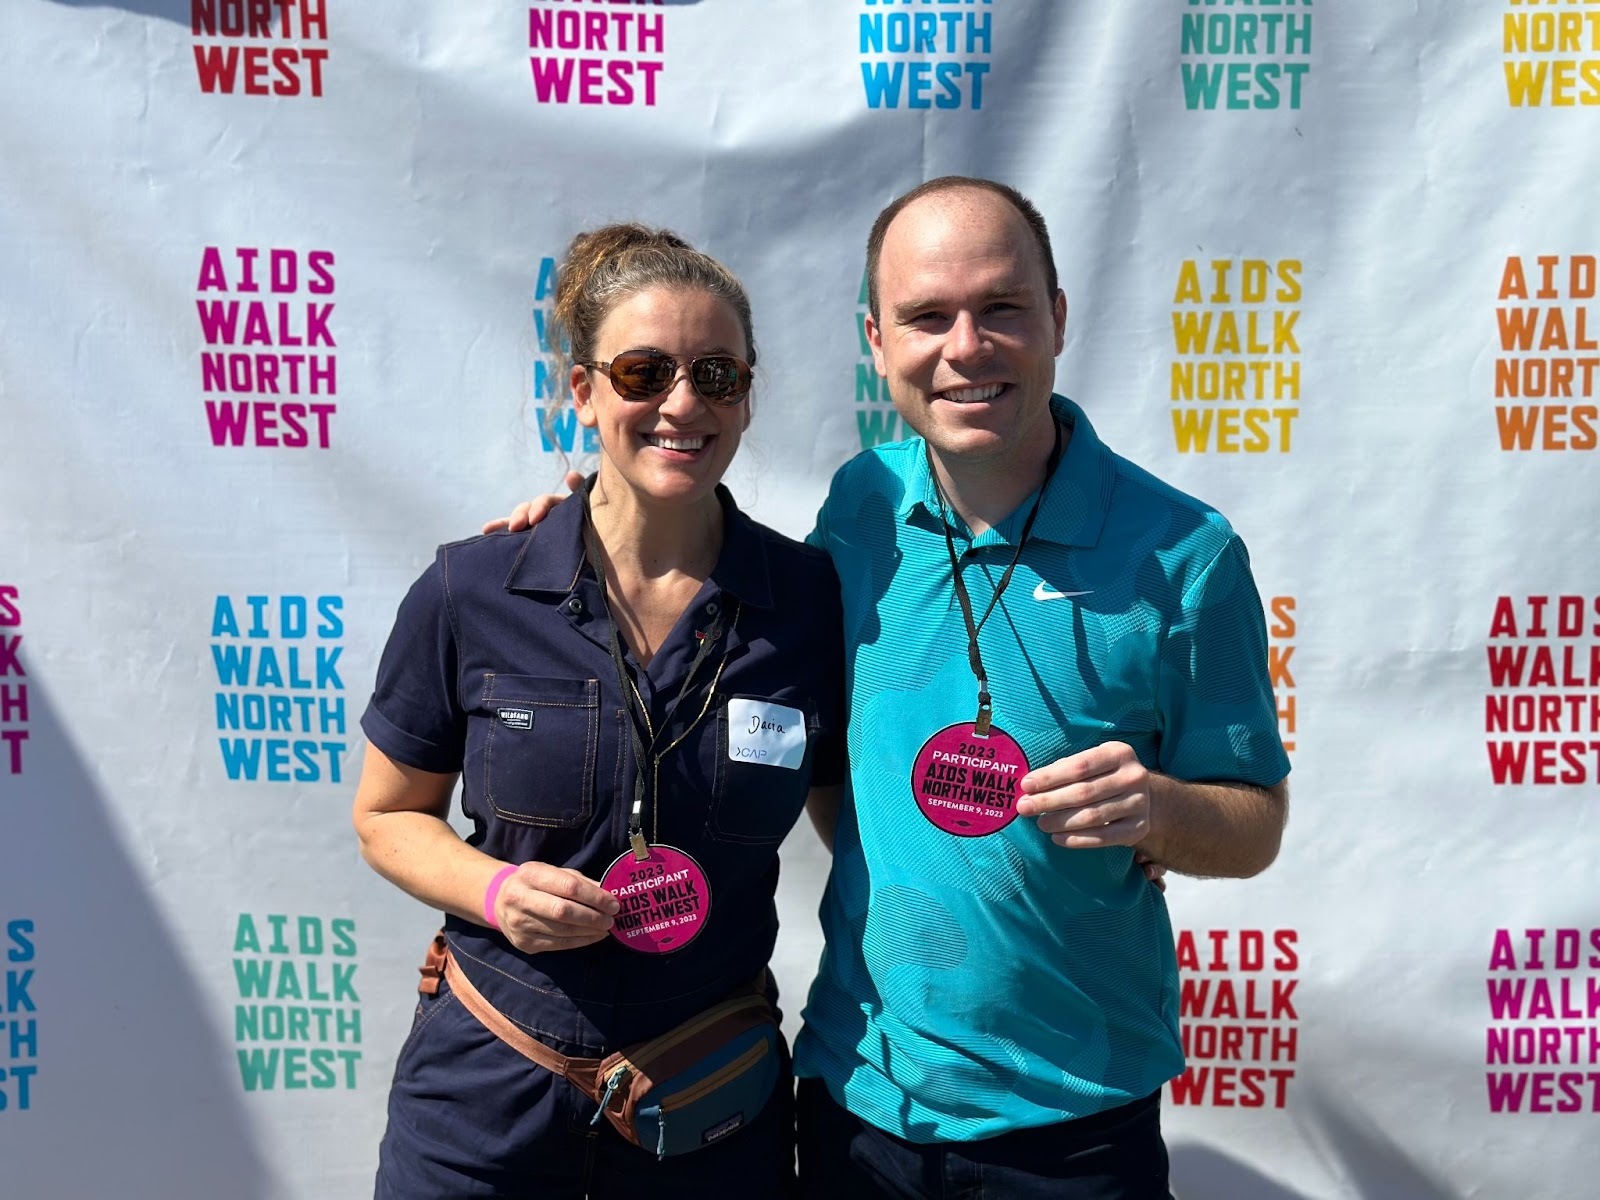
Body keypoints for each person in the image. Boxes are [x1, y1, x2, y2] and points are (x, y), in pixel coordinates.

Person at [499, 178, 1289, 1199]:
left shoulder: (1186, 553)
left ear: (1057, 317)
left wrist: (1162, 810)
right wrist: (584, 524)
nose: (966, 347)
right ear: (877, 342)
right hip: (856, 1101)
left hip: (1077, 1120)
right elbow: (725, 604)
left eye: (1001, 307)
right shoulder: (861, 506)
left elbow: (1254, 825)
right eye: (927, 316)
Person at [353, 224, 846, 1198]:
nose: (682, 403)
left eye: (716, 374)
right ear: (582, 392)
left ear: (748, 395)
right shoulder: (472, 590)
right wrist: (496, 891)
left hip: (708, 1113)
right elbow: (386, 816)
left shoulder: (810, 604)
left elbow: (868, 828)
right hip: (486, 1102)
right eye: (641, 372)